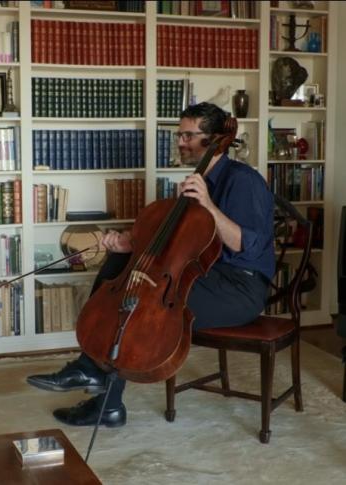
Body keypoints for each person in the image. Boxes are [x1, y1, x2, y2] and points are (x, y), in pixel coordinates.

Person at [27, 102, 275, 427]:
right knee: (124, 266)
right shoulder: (196, 181)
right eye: (179, 135)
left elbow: (247, 245)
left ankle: (103, 395)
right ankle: (96, 379)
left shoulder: (243, 180)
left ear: (215, 138)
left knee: (140, 306)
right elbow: (182, 243)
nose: (181, 142)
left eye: (189, 135)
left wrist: (209, 206)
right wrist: (129, 243)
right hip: (203, 276)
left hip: (239, 287)